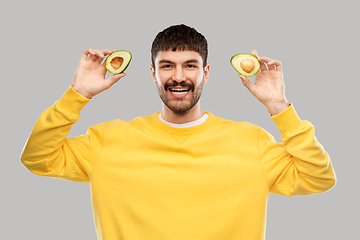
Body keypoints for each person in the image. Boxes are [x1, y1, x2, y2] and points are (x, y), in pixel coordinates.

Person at [21, 24, 336, 240]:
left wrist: (279, 107)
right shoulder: (108, 140)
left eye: (190, 65)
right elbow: (37, 157)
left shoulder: (251, 141)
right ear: (153, 74)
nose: (179, 76)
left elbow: (318, 178)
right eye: (167, 65)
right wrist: (78, 94)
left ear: (206, 72)